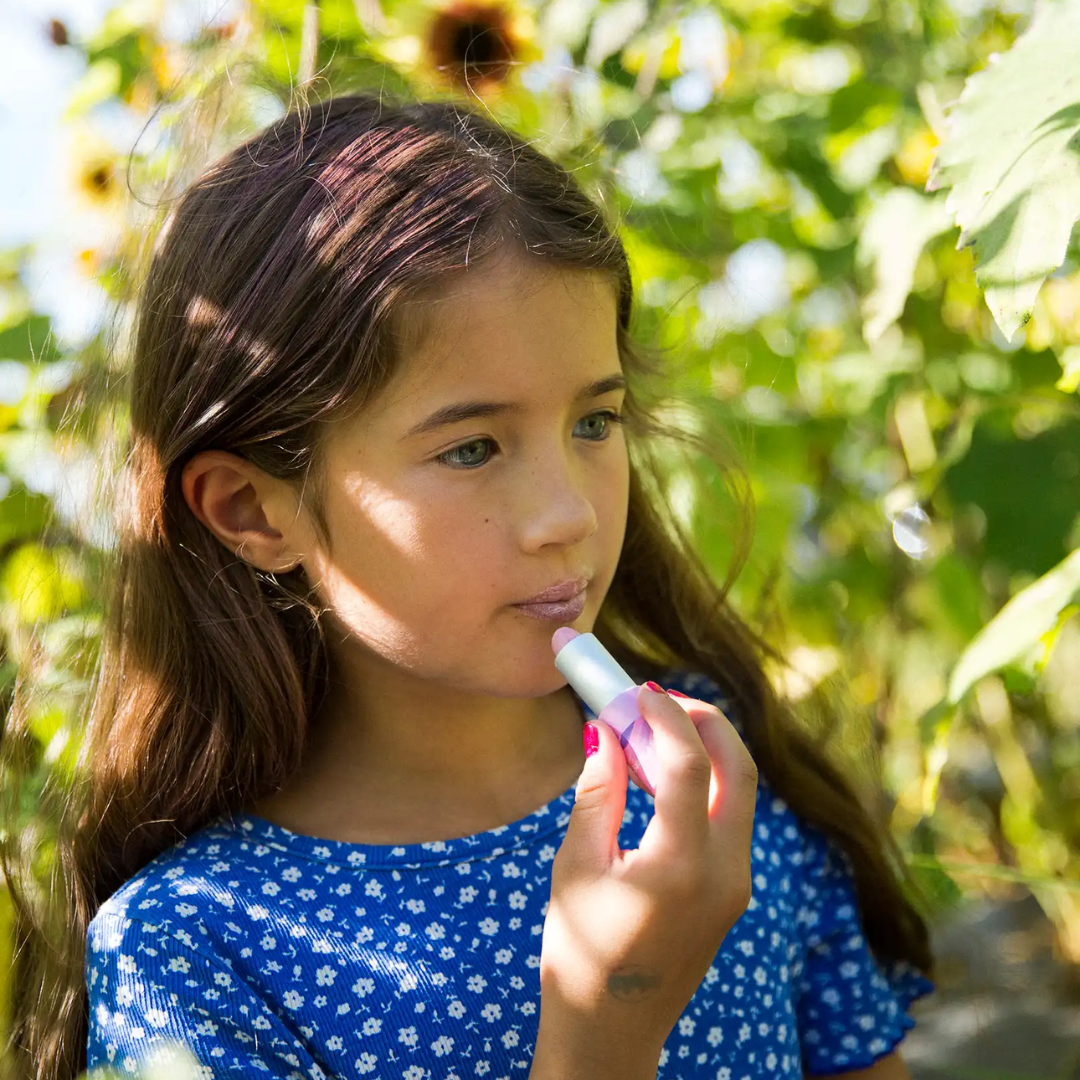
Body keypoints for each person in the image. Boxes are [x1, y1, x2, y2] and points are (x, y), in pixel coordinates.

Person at [6, 92, 935, 1080]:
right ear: (252, 511)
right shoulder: (192, 951)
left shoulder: (708, 774)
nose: (567, 514)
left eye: (595, 422)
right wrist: (601, 1025)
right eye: (472, 447)